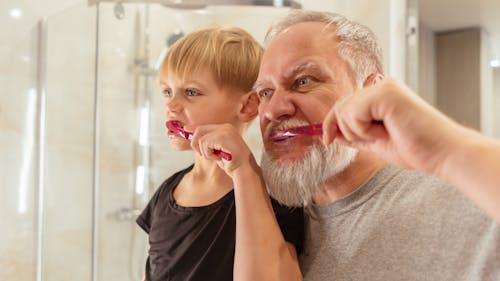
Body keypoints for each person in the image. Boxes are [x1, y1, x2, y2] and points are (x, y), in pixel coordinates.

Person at [251, 10, 500, 280]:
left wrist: (446, 150)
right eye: (266, 92)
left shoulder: (471, 209)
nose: (272, 110)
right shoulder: (266, 224)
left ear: (371, 91)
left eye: (303, 81)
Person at [135, 26, 303, 281]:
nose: (171, 105)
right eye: (167, 91)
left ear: (248, 106)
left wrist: (245, 174)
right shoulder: (166, 192)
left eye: (191, 92)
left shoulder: (274, 196)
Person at [322, 77, 500, 224]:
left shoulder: (474, 202)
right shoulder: (295, 221)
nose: (291, 109)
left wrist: (443, 152)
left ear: (370, 88)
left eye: (304, 81)